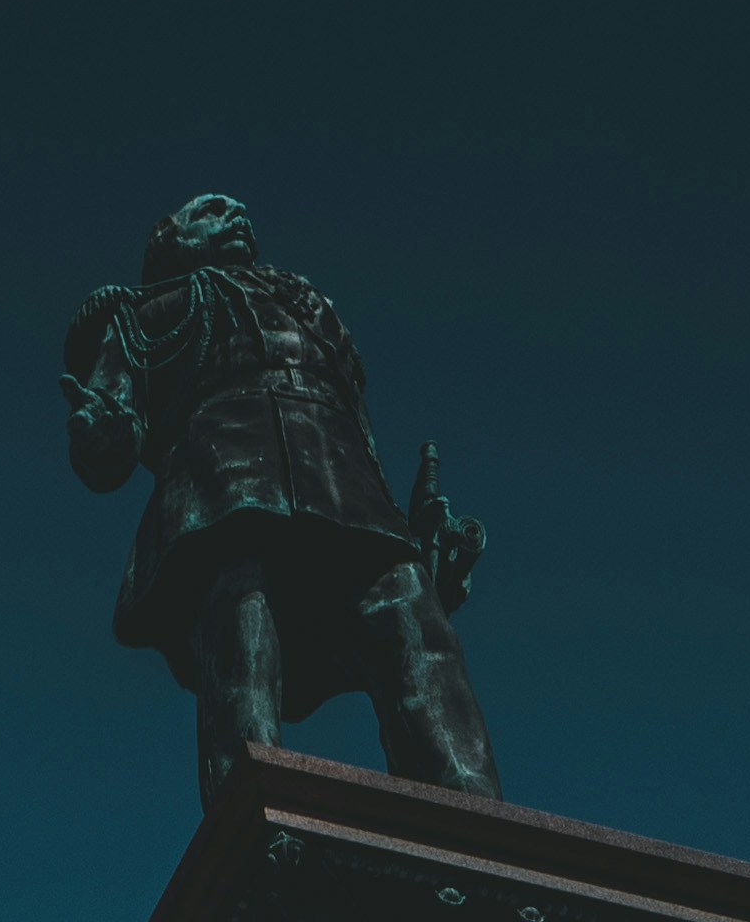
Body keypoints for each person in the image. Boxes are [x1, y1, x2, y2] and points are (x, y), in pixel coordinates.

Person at [64, 193, 497, 808]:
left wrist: (413, 527)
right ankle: (252, 815)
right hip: (223, 478)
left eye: (240, 210)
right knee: (242, 626)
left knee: (412, 614)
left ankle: (478, 819)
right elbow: (110, 434)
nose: (237, 216)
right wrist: (99, 431)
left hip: (344, 481)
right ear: (171, 236)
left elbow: (360, 428)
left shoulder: (310, 307)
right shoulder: (148, 314)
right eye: (213, 211)